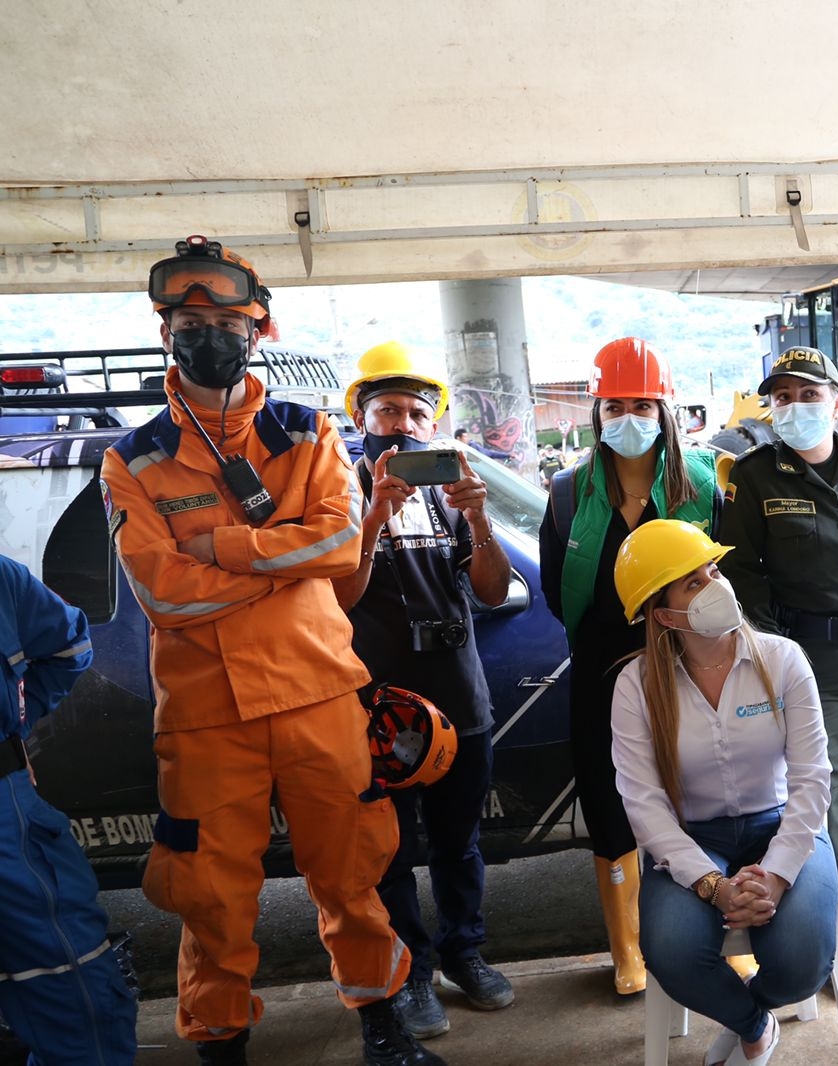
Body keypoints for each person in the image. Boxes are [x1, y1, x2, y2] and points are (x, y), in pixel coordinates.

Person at [99, 235, 441, 1065]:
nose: (205, 332)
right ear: (164, 330)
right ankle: (221, 1041)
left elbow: (335, 545)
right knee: (211, 896)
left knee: (354, 878)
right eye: (188, 318)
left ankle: (382, 1020)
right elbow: (162, 594)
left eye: (225, 317)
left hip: (321, 695)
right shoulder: (132, 460)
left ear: (261, 327)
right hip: (207, 720)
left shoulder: (307, 431)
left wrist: (218, 546)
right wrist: (277, 558)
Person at [718, 347, 838, 993]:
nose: (795, 407)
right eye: (781, 397)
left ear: (837, 401)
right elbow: (743, 578)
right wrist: (779, 660)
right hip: (808, 661)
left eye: (808, 395)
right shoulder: (754, 477)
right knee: (827, 802)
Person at [333, 341, 515, 1039]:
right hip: (380, 712)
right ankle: (409, 975)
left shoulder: (448, 491)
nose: (402, 424)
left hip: (459, 703)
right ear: (363, 418)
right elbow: (338, 597)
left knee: (458, 842)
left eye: (416, 412)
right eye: (387, 411)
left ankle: (465, 953)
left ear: (432, 425)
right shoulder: (341, 490)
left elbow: (494, 589)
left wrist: (479, 517)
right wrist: (375, 515)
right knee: (387, 853)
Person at [610, 519, 835, 1066]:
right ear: (664, 616)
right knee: (672, 951)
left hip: (781, 826)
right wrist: (714, 887)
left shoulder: (782, 660)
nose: (716, 584)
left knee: (804, 960)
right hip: (693, 841)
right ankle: (754, 1024)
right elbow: (644, 805)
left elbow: (812, 780)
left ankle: (747, 1012)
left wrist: (777, 876)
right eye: (692, 582)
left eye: (712, 569)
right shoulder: (636, 685)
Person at [538, 337, 720, 995]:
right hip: (601, 675)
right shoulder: (567, 495)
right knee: (610, 804)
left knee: (700, 797)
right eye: (616, 405)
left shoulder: (704, 486)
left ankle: (718, 937)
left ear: (665, 408)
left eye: (642, 403)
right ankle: (630, 951)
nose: (629, 418)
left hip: (690, 666)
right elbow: (559, 591)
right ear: (597, 412)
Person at [0, 554, 139, 1063]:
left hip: (6, 813)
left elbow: (67, 647)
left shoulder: (3, 579)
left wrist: (11, 739)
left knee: (77, 998)